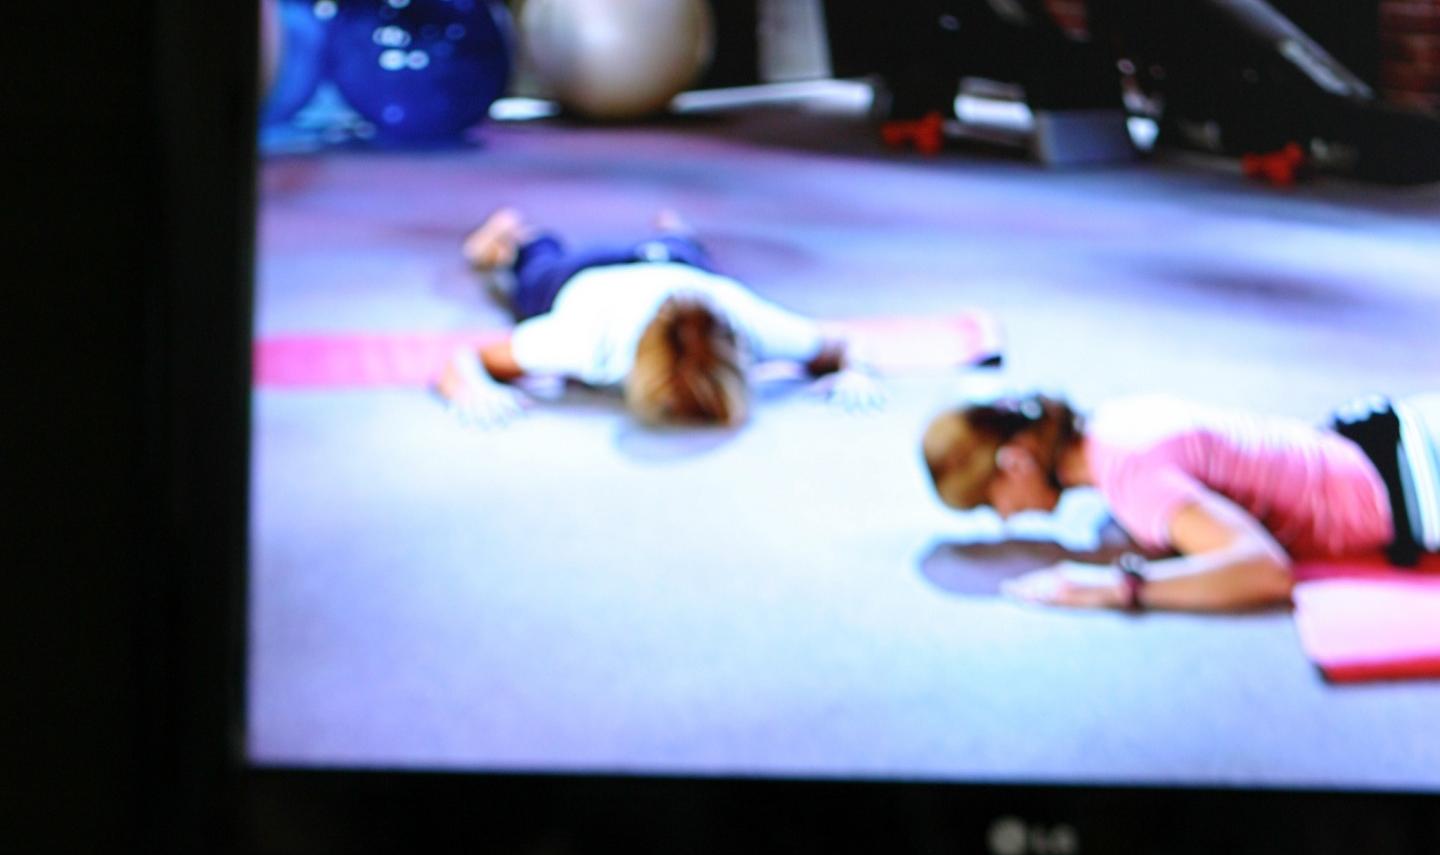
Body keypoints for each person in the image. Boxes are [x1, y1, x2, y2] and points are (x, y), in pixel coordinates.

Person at [920, 388, 1440, 613]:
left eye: (992, 503)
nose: (1007, 520)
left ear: (1016, 462)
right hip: (1396, 432)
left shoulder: (1130, 477)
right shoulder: (1114, 422)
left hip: (1418, 487)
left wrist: (1112, 589)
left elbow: (1263, 570)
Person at [437, 206, 866, 429]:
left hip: (676, 267)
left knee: (687, 253)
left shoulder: (747, 322)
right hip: (589, 276)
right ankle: (510, 237)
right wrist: (471, 392)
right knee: (536, 267)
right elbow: (467, 359)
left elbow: (838, 343)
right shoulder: (587, 345)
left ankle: (675, 232)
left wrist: (856, 374)